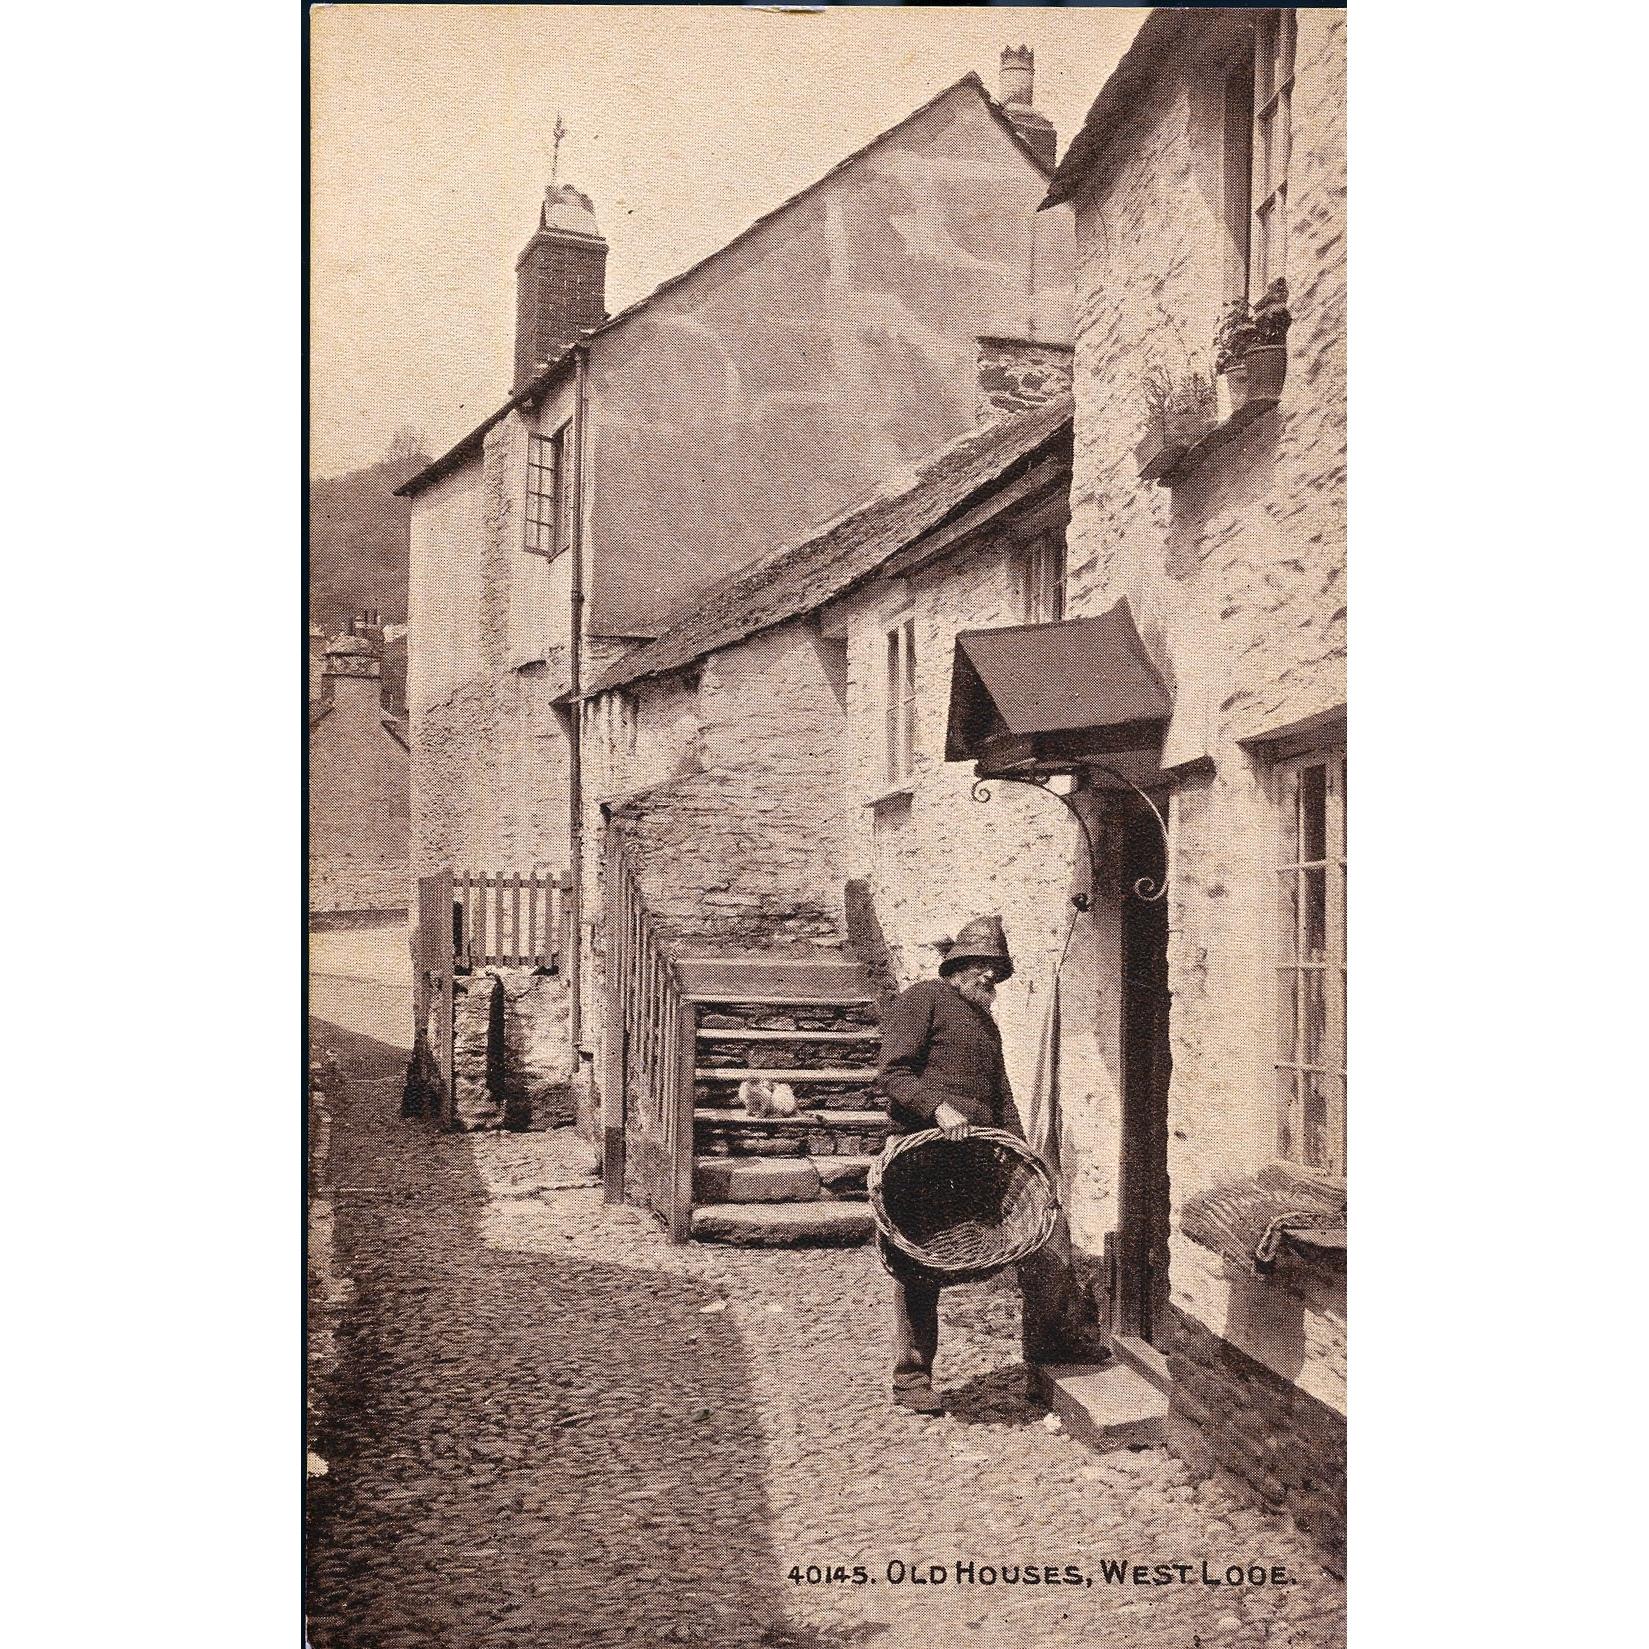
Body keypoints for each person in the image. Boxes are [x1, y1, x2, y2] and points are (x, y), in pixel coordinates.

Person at [874, 915, 1025, 1414]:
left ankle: (1049, 1355)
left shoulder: (986, 1024)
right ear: (958, 966)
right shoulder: (924, 999)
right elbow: (894, 1074)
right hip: (921, 1152)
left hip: (971, 1157)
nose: (990, 978)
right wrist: (937, 1108)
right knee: (918, 1264)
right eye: (982, 966)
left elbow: (1000, 1095)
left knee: (1030, 1241)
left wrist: (1020, 1154)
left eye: (996, 970)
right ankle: (912, 1379)